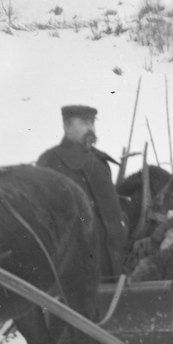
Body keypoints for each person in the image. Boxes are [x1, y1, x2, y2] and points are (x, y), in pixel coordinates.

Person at [37, 105, 128, 280]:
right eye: (85, 123)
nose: (91, 128)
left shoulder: (98, 160)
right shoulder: (51, 159)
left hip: (110, 256)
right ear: (67, 127)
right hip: (78, 258)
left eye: (92, 123)